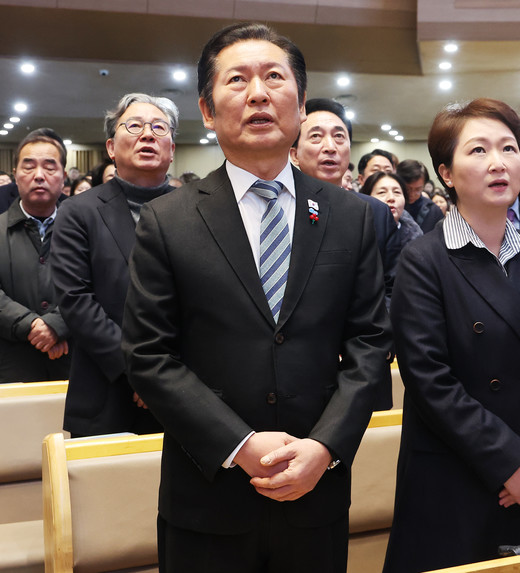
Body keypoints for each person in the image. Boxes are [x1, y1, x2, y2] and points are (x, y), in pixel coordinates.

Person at [121, 23, 392, 573]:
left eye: (274, 77)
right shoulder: (167, 220)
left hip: (316, 489)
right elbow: (148, 355)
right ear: (207, 110)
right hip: (207, 496)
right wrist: (240, 444)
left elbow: (370, 343)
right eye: (237, 80)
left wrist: (326, 447)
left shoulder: (352, 216)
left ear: (300, 101)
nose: (259, 93)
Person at [383, 98, 520, 573]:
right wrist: (510, 463)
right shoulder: (424, 260)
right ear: (447, 173)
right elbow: (430, 381)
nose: (499, 162)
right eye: (478, 150)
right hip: (458, 473)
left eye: (509, 148)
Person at [51, 93, 178, 437]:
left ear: (171, 150)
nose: (147, 134)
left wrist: (168, 373)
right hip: (105, 388)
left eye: (159, 128)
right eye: (134, 126)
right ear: (111, 147)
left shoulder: (195, 210)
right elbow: (76, 301)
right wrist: (139, 371)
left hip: (183, 389)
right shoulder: (79, 212)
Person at [290, 97, 400, 315]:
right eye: (316, 136)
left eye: (339, 136)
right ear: (294, 154)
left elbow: (392, 286)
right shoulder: (282, 208)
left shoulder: (375, 212)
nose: (330, 147)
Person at [0, 128, 71, 382]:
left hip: (73, 365)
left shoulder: (86, 229)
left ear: (63, 177)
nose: (39, 175)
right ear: (15, 175)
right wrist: (31, 325)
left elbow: (100, 287)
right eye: (29, 167)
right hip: (10, 366)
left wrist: (57, 324)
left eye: (50, 167)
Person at [360, 171, 422, 250]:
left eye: (397, 192)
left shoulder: (416, 238)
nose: (391, 198)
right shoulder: (359, 235)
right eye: (382, 192)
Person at [397, 159, 444, 233]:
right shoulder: (393, 206)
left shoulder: (433, 211)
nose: (412, 194)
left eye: (418, 189)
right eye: (407, 189)